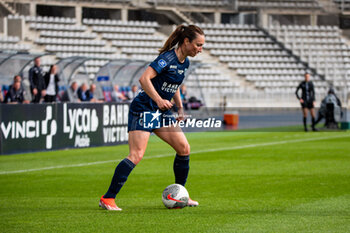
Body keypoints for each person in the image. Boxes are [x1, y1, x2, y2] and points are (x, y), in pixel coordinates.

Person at [99, 24, 205, 211]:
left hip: (161, 111)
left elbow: (174, 86)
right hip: (144, 109)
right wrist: (158, 100)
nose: (200, 49)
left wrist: (180, 108)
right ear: (186, 41)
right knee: (136, 155)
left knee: (184, 148)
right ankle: (108, 198)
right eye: (198, 45)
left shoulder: (185, 62)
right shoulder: (167, 58)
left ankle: (181, 195)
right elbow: (144, 79)